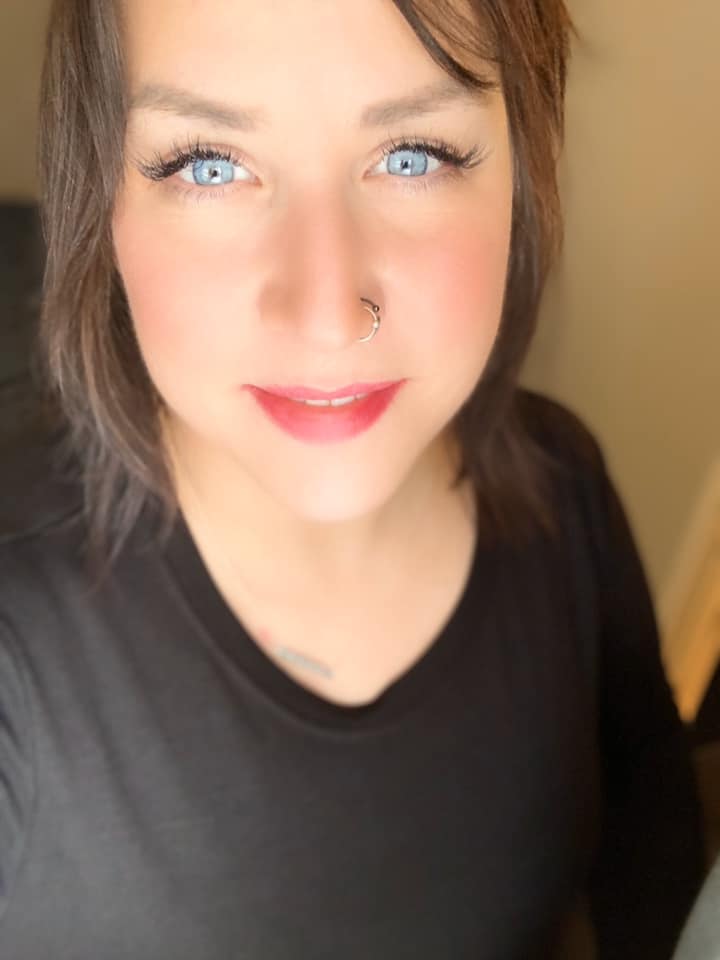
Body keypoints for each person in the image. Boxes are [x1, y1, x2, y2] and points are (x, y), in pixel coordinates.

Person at [0, 0, 706, 956]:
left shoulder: (564, 485)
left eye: (413, 155)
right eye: (208, 165)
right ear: (99, 196)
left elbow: (654, 869)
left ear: (523, 174)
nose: (329, 315)